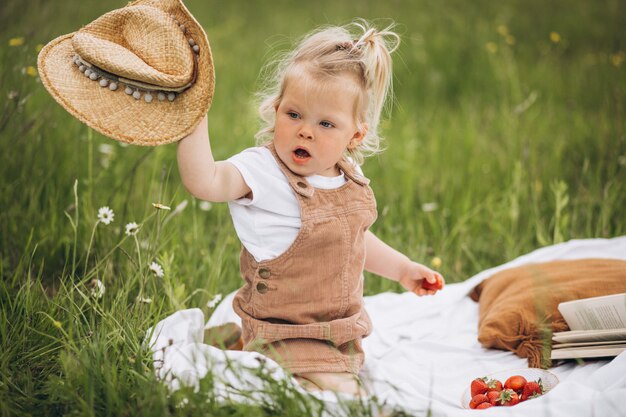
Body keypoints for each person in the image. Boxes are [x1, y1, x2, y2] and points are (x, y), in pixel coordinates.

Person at [177, 19, 444, 396]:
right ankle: (252, 347)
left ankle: (238, 345)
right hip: (283, 329)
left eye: (325, 123)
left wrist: (402, 268)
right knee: (346, 397)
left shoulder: (348, 176)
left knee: (330, 381)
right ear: (276, 110)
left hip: (340, 331)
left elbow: (352, 241)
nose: (306, 131)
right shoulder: (263, 171)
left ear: (355, 135)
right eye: (294, 115)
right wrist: (193, 117)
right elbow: (204, 181)